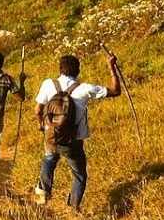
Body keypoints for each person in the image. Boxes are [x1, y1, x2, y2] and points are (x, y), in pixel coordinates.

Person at [33, 54, 121, 210]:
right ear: (78, 70)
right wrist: (111, 67)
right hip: (72, 141)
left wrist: (42, 125)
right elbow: (115, 91)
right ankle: (73, 207)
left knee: (49, 159)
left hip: (51, 136)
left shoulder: (48, 84)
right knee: (79, 175)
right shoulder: (84, 88)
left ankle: (43, 192)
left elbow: (38, 110)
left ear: (60, 69)